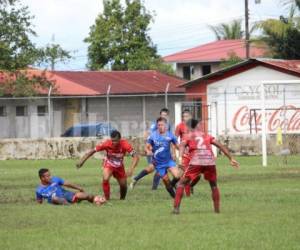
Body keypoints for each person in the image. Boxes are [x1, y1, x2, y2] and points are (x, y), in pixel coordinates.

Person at [173, 119, 239, 214]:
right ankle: (217, 211)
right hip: (209, 161)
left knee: (181, 184)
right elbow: (220, 145)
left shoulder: (188, 136)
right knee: (213, 185)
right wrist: (231, 158)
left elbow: (182, 145)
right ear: (198, 126)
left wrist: (180, 158)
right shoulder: (206, 136)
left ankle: (176, 209)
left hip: (196, 160)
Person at [76, 130, 139, 200]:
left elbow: (136, 156)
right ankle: (106, 198)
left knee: (123, 185)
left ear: (120, 139)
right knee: (105, 178)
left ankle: (122, 199)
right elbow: (92, 151)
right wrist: (82, 161)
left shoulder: (125, 144)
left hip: (119, 166)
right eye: (112, 141)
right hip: (109, 163)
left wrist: (131, 169)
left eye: (116, 141)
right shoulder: (106, 143)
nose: (114, 143)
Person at [130, 108, 172, 190]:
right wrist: (149, 147)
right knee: (157, 168)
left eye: (165, 115)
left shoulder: (168, 125)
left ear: (167, 116)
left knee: (154, 168)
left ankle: (136, 179)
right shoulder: (156, 125)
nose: (164, 116)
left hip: (162, 150)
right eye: (162, 115)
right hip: (153, 150)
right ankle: (152, 187)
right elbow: (148, 134)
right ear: (160, 115)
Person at [146, 117, 181, 198]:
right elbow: (147, 146)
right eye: (158, 125)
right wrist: (148, 151)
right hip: (158, 163)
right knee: (166, 181)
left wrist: (184, 150)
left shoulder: (170, 135)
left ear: (166, 125)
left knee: (177, 176)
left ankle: (172, 185)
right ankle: (175, 198)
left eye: (162, 125)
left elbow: (177, 146)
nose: (160, 126)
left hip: (169, 161)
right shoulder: (153, 135)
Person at [36, 168, 103, 205]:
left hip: (68, 195)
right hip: (57, 201)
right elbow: (39, 202)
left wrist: (79, 188)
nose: (50, 177)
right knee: (55, 198)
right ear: (42, 178)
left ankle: (97, 200)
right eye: (48, 176)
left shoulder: (55, 179)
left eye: (50, 175)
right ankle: (71, 206)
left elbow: (67, 184)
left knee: (87, 196)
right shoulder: (39, 190)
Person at [175, 109, 201, 196]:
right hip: (184, 153)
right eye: (183, 117)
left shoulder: (196, 126)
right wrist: (177, 150)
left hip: (194, 154)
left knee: (198, 176)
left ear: (191, 117)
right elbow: (174, 140)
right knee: (186, 175)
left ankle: (188, 186)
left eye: (186, 116)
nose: (184, 118)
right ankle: (187, 195)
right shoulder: (179, 126)